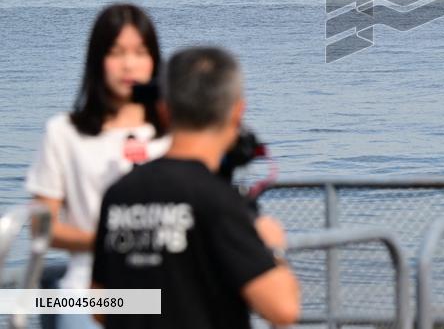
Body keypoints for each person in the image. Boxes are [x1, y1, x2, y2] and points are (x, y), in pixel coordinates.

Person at [91, 47, 300, 328]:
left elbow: (99, 306)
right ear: (237, 111)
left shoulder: (119, 194)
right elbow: (283, 309)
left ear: (164, 110)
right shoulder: (220, 201)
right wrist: (273, 248)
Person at [25, 4, 170, 329]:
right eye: (116, 52)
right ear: (97, 60)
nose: (129, 64)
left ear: (154, 61)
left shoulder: (173, 137)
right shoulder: (63, 132)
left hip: (167, 292)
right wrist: (107, 241)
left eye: (140, 52)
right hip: (88, 293)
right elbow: (41, 227)